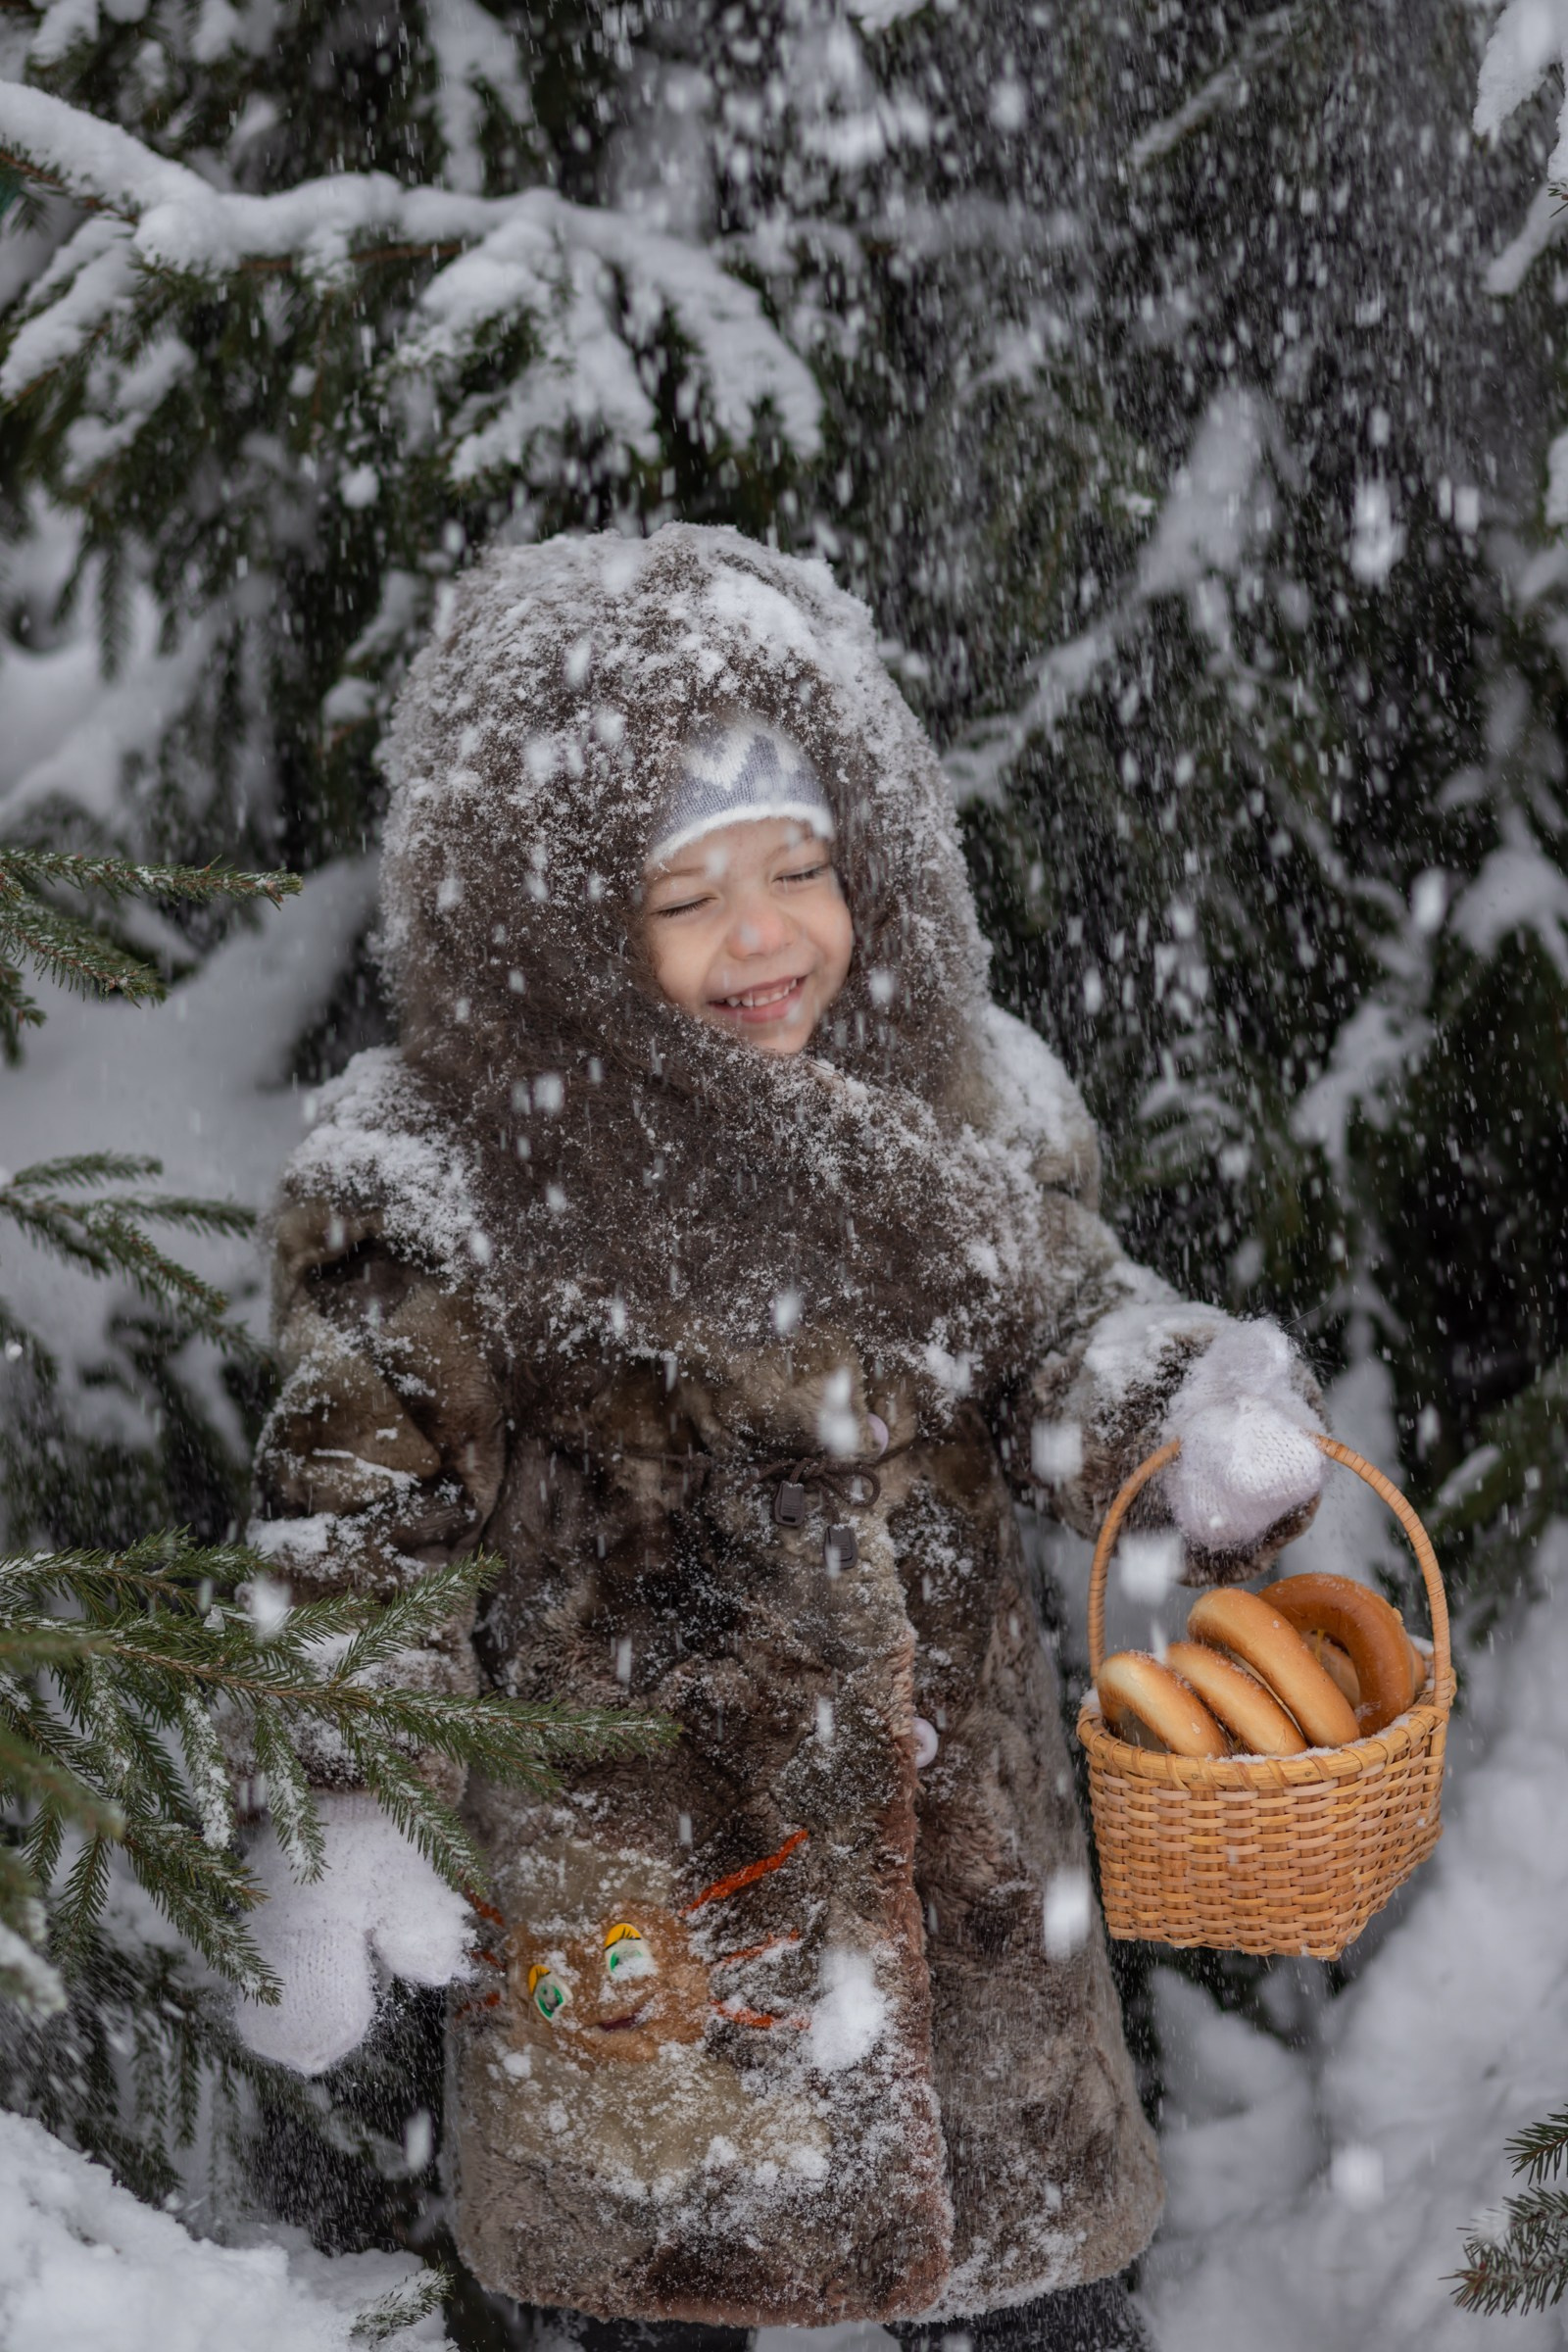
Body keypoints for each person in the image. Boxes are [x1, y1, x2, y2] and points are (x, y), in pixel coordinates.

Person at [241, 526, 1327, 2352]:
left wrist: (1183, 1409)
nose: (767, 937)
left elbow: (1071, 1329)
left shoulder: (952, 1113)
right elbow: (360, 1514)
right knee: (649, 2288)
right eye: (687, 896)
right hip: (653, 1941)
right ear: (562, 926)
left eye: (803, 867)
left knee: (1033, 2298)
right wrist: (354, 1781)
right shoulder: (456, 1186)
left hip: (966, 1930)